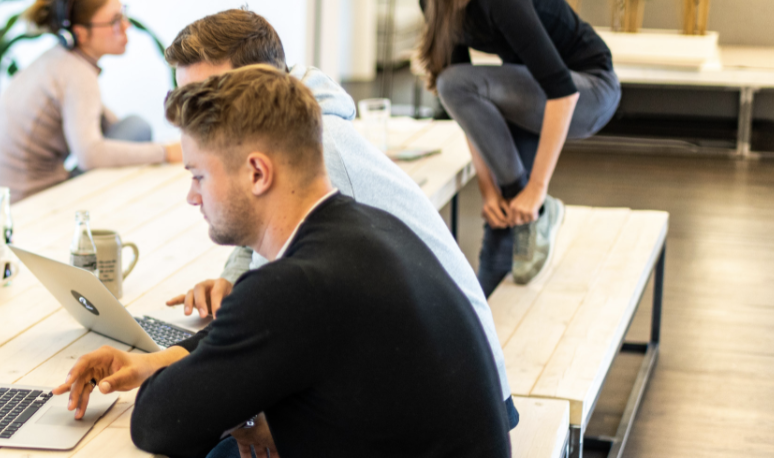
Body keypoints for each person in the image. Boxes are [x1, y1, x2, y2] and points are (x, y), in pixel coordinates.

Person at [55, 66, 510, 458]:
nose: (191, 196)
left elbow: (159, 422)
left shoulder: (295, 285)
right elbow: (267, 341)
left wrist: (233, 400)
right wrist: (159, 364)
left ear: (257, 172)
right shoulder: (371, 226)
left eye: (198, 175)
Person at [160, 8, 515, 425]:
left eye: (210, 97)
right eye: (189, 99)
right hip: (448, 389)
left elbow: (272, 313)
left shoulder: (318, 154)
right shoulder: (302, 133)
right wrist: (235, 277)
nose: (196, 117)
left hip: (445, 409)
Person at [374, 0, 620, 292]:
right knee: (503, 217)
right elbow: (464, 108)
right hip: (535, 92)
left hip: (590, 91)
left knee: (455, 83)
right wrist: (489, 191)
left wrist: (538, 188)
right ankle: (487, 314)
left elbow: (563, 91)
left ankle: (541, 208)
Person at [0, 0, 182, 222]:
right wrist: (166, 152)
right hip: (19, 211)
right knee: (138, 128)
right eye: (115, 20)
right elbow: (90, 154)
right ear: (79, 34)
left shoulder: (57, 62)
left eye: (124, 14)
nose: (126, 26)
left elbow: (108, 123)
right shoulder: (77, 74)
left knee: (135, 128)